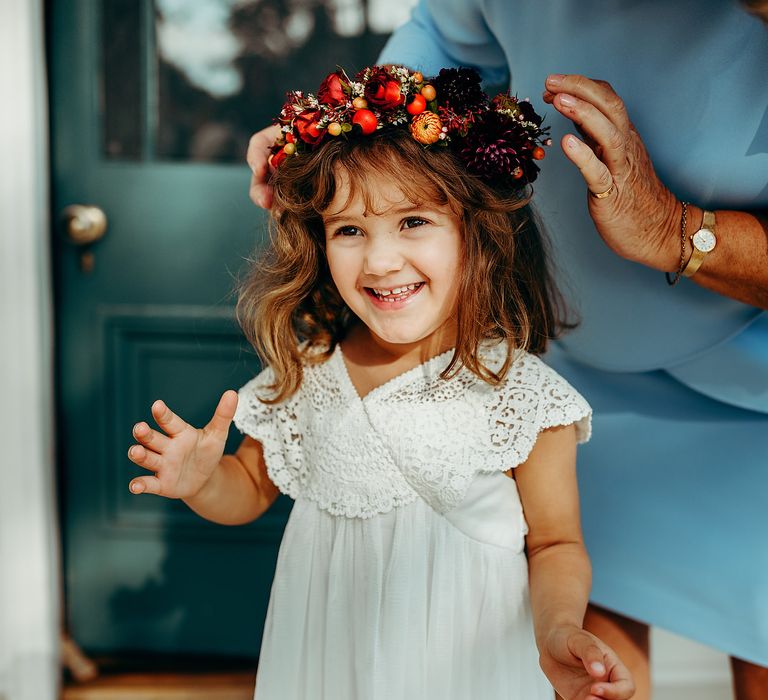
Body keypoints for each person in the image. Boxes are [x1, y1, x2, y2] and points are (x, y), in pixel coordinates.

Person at [244, 4, 768, 700]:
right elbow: (437, 37)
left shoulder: (526, 401)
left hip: (750, 391)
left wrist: (677, 230)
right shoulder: (331, 366)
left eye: (412, 224)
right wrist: (345, 138)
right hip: (583, 359)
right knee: (598, 677)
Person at [127, 66, 635, 700]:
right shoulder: (308, 367)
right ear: (318, 241)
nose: (380, 260)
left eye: (413, 221)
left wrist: (558, 629)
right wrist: (204, 483)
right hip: (328, 661)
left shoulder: (520, 393)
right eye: (349, 230)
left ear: (475, 233)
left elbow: (556, 543)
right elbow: (251, 488)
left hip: (464, 672)